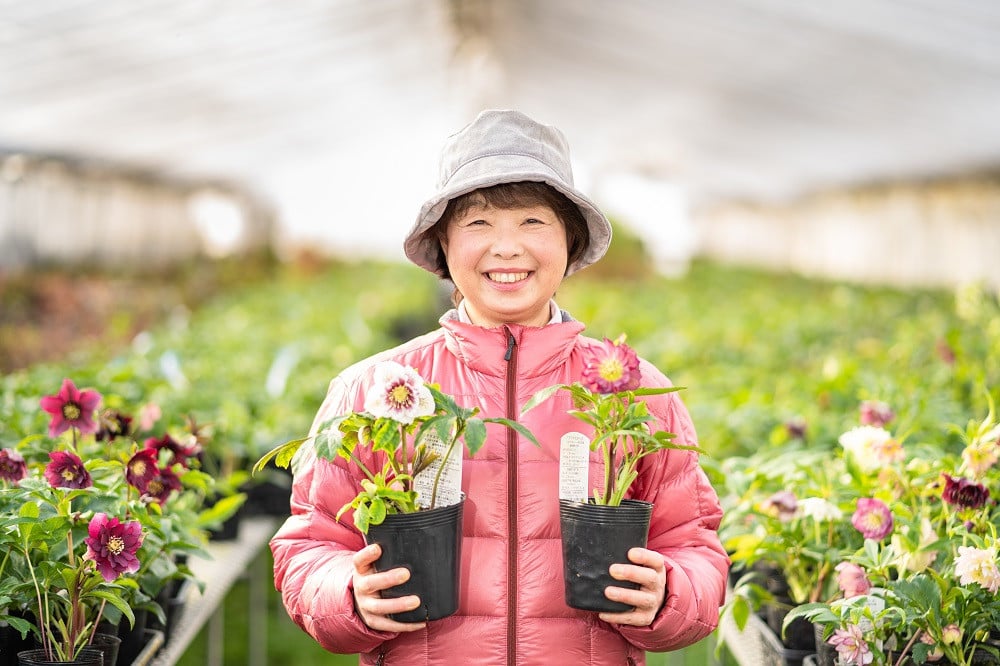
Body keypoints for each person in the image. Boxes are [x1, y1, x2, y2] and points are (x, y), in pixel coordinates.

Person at [269, 109, 729, 666]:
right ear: (443, 245)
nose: (506, 248)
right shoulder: (377, 389)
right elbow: (309, 543)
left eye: (533, 222)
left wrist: (671, 591)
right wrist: (346, 592)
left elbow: (694, 541)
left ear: (570, 240)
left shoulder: (633, 393)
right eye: (478, 224)